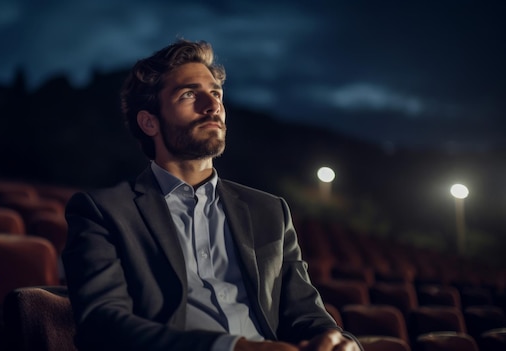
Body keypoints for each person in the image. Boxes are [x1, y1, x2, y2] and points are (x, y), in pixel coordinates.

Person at [62, 39, 362, 351]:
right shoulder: (104, 212)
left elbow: (307, 316)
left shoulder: (270, 211)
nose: (213, 105)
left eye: (216, 93)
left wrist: (341, 344)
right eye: (189, 94)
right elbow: (102, 324)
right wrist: (234, 348)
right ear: (149, 122)